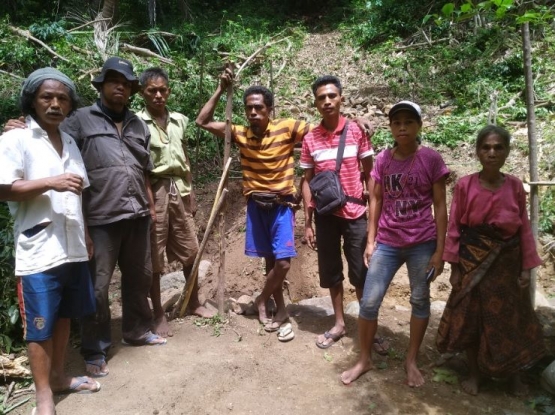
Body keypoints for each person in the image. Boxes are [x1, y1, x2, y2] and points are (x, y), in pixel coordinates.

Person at [0, 68, 100, 415]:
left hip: (71, 245)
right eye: (47, 97)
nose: (55, 104)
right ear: (32, 101)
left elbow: (79, 193)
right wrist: (50, 182)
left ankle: (59, 377)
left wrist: (85, 234)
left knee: (63, 316)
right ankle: (43, 395)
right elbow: (2, 189)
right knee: (39, 323)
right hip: (38, 249)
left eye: (62, 99)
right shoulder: (15, 139)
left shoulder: (69, 142)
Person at [341, 101, 448, 387]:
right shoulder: (383, 160)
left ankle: (410, 360)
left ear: (419, 126)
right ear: (390, 127)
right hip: (387, 241)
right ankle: (364, 359)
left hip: (422, 243)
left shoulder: (431, 159)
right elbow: (375, 199)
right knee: (370, 301)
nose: (402, 127)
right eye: (397, 122)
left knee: (419, 300)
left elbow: (440, 205)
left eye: (409, 122)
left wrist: (440, 250)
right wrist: (371, 241)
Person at [195, 67, 309, 332]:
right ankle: (279, 309)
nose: (253, 113)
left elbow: (324, 131)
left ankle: (261, 299)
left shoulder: (288, 128)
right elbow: (201, 121)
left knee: (282, 262)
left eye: (258, 108)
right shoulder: (239, 133)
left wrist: (353, 123)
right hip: (256, 206)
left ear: (269, 109)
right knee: (270, 261)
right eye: (249, 108)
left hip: (281, 206)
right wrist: (221, 89)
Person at [436, 125, 546, 396]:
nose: (492, 152)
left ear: (507, 152)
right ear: (477, 152)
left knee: (511, 320)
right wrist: (455, 267)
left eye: (498, 147)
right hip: (473, 262)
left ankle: (514, 377)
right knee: (473, 319)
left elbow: (523, 228)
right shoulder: (465, 185)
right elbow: (453, 229)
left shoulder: (515, 187)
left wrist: (526, 267)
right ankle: (475, 374)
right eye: (486, 147)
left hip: (507, 264)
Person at [301, 75, 386, 351]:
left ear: (341, 99)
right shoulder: (310, 139)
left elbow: (370, 176)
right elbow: (306, 181)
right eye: (321, 98)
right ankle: (339, 323)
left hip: (355, 213)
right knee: (331, 271)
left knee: (361, 272)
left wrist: (373, 222)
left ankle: (367, 326)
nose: (327, 101)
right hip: (325, 215)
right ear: (315, 103)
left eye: (332, 96)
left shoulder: (356, 131)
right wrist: (308, 222)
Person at [137, 67, 215, 337]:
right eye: (152, 91)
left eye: (162, 90)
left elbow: (183, 156)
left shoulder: (179, 120)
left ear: (168, 91)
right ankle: (158, 313)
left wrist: (190, 192)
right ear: (142, 93)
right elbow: (139, 167)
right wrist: (148, 201)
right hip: (154, 189)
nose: (158, 95)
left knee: (191, 250)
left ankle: (193, 301)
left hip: (178, 189)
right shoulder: (137, 122)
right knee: (155, 256)